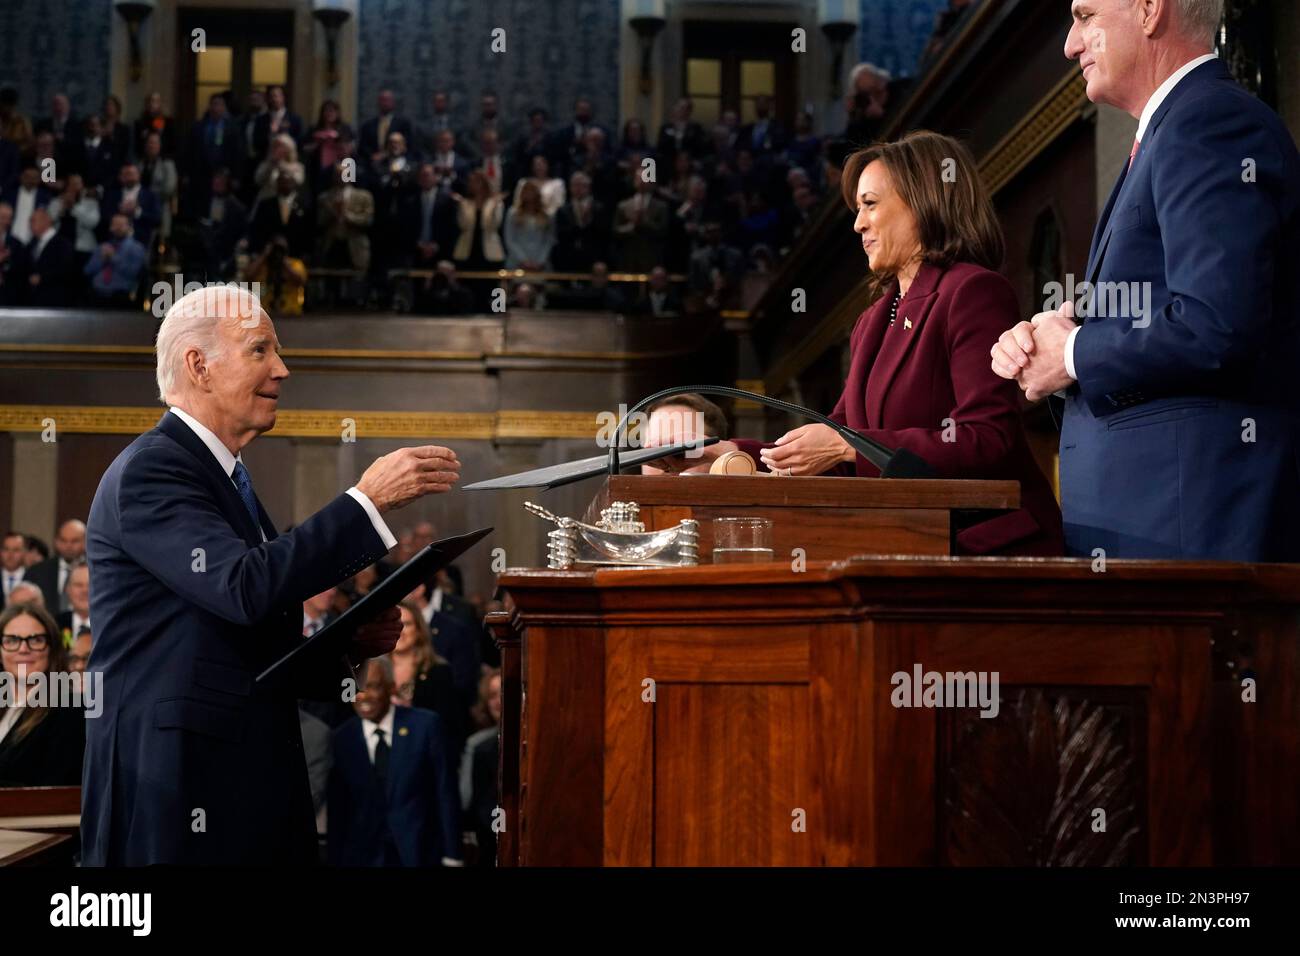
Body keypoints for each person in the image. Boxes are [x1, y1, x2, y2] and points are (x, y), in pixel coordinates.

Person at [81, 285, 463, 865]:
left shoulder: (226, 477)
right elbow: (242, 586)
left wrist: (347, 644)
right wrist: (366, 501)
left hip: (237, 775)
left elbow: (245, 637)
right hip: (178, 788)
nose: (282, 370)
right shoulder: (153, 470)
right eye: (260, 350)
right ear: (198, 366)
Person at [991, 0, 1300, 561]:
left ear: (1150, 10)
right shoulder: (1170, 131)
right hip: (1154, 526)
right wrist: (1053, 344)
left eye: (1085, 16)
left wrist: (1077, 352)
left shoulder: (1210, 121)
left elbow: (1217, 322)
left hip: (1194, 530)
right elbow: (1165, 311)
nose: (1070, 43)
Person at [689, 132, 1064, 556]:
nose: (858, 223)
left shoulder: (972, 291)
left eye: (869, 204)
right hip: (908, 544)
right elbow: (833, 443)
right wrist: (730, 451)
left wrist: (845, 445)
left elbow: (986, 439)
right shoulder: (871, 321)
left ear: (922, 202)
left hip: (986, 550)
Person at [327, 657, 462, 866]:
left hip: (420, 853)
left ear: (391, 688)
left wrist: (453, 855)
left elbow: (445, 793)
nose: (363, 696)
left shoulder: (425, 726)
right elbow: (338, 810)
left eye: (372, 686)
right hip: (363, 856)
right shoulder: (342, 738)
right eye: (356, 688)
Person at [0, 602, 86, 786]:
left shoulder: (70, 709)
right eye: (11, 640)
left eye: (36, 640)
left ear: (52, 649)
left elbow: (56, 783)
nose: (23, 649)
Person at [391, 600, 464, 749]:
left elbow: (449, 725)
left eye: (407, 624)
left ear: (419, 630)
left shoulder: (439, 672)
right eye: (393, 623)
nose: (400, 631)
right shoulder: (371, 669)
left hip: (424, 751)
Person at [460, 668, 501, 866]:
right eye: (492, 695)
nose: (499, 701)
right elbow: (469, 799)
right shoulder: (479, 745)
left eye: (503, 693)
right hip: (488, 837)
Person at [84, 212, 147, 306]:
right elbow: (87, 271)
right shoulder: (102, 247)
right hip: (96, 295)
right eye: (115, 224)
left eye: (121, 225)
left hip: (120, 297)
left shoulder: (136, 248)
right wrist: (102, 260)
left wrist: (113, 258)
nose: (117, 228)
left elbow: (133, 273)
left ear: (129, 227)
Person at [504, 180, 556, 271]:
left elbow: (549, 240)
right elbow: (510, 239)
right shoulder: (512, 213)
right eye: (526, 190)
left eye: (532, 190)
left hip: (540, 263)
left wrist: (540, 261)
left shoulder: (547, 215)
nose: (529, 193)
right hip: (517, 263)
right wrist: (523, 260)